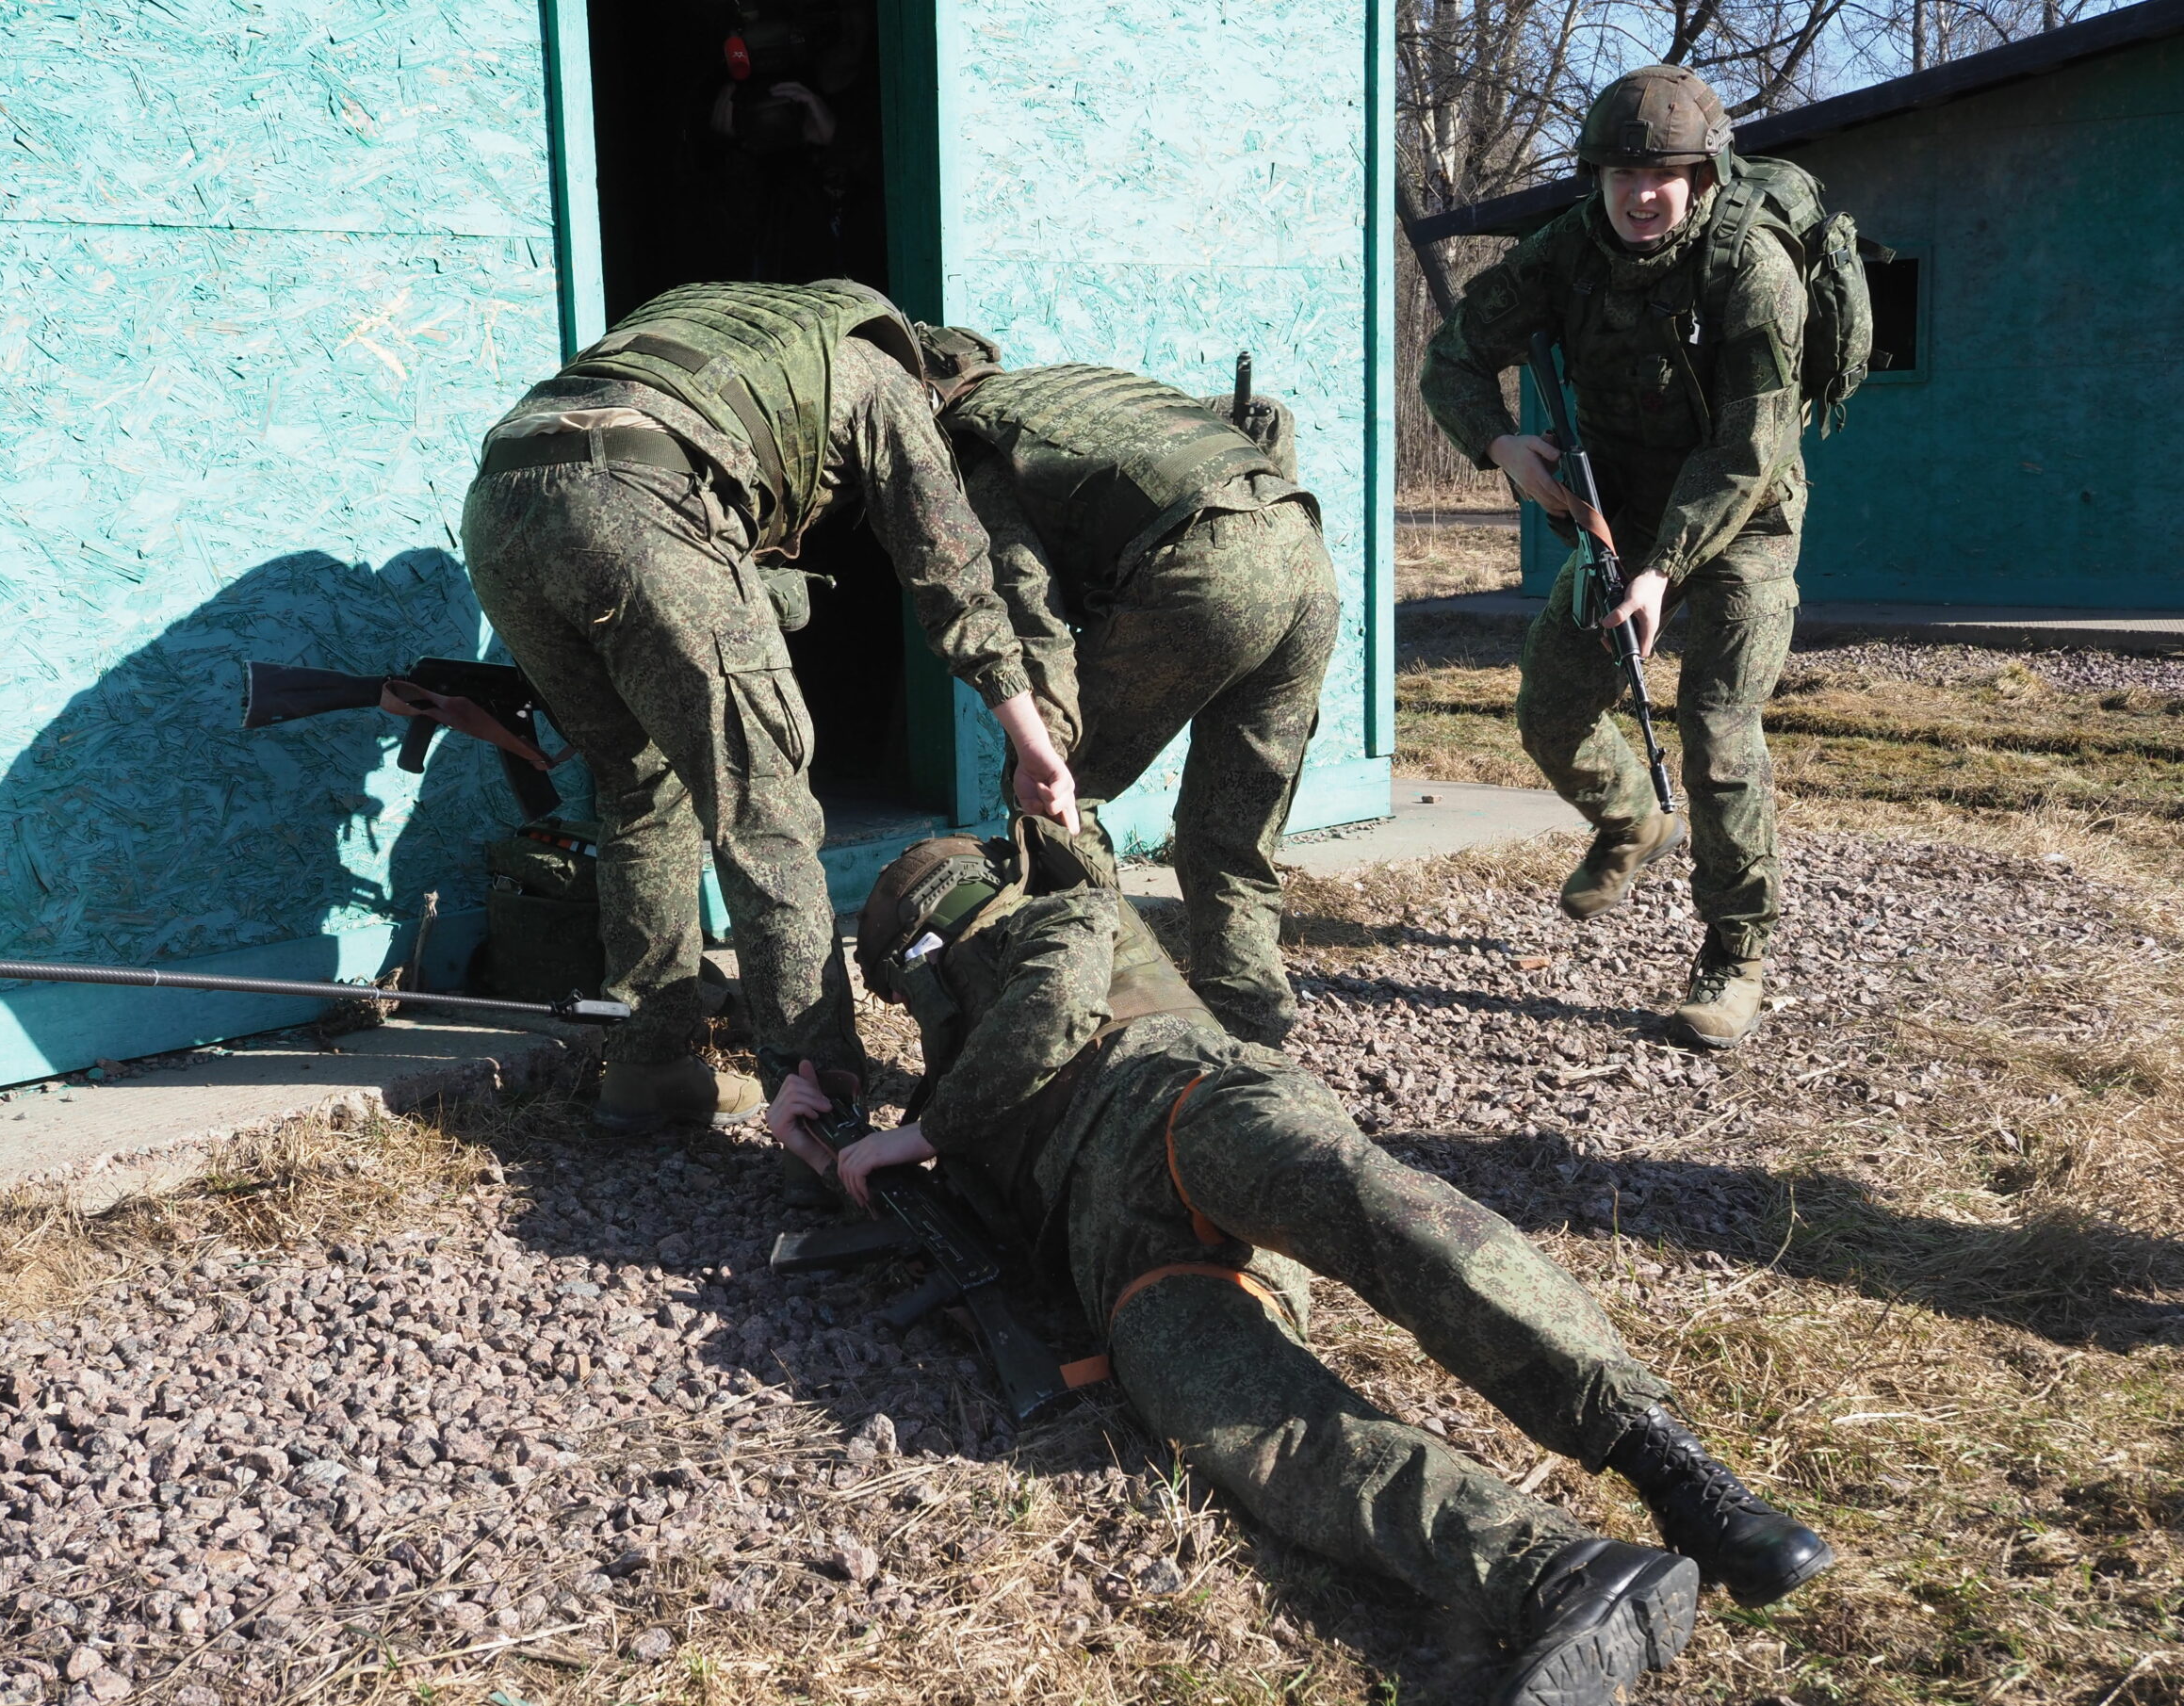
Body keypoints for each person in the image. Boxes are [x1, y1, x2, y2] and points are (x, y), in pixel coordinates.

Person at [769, 821, 1834, 1706]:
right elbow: (951, 1217)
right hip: (1130, 1261)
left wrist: (921, 1132)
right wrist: (829, 1152)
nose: (918, 990)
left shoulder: (1062, 919)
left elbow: (1051, 1007)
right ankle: (1556, 1575)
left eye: (912, 965)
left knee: (1398, 1224)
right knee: (1254, 1429)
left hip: (1186, 1104)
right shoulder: (954, 1093)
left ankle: (1675, 1472)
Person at [462, 280, 1078, 1140]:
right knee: (766, 816)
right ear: (935, 384)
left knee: (639, 788)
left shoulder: (752, 331)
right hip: (642, 500)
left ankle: (648, 1066)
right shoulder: (883, 378)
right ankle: (821, 1117)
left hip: (500, 502)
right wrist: (1033, 743)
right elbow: (951, 574)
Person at [1420, 65, 1812, 1048]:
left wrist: (1662, 570)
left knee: (1716, 729)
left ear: (1703, 176)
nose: (1641, 196)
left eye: (1664, 175)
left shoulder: (1752, 269)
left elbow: (1748, 450)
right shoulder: (1567, 250)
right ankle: (1635, 819)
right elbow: (1453, 354)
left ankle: (1735, 955)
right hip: (1619, 513)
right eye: (1621, 175)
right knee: (1553, 706)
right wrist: (1500, 445)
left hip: (1741, 518)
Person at [916, 327, 1340, 1048]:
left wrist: (1045, 747)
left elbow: (1026, 610)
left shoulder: (978, 449)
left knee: (1057, 803)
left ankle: (1106, 1022)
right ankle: (1251, 1033)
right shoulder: (1078, 391)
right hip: (1304, 557)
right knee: (1231, 826)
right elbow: (1265, 417)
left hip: (1205, 574)